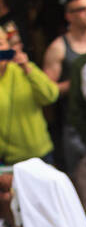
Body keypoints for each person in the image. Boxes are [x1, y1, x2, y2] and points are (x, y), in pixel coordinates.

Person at [41, 0, 86, 169]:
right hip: (75, 124)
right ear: (69, 16)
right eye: (82, 9)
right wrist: (79, 84)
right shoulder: (58, 47)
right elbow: (47, 92)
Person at [0, 28, 58, 166]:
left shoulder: (24, 69)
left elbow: (50, 96)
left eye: (0, 44)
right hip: (6, 160)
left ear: (9, 46)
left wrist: (27, 68)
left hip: (39, 155)